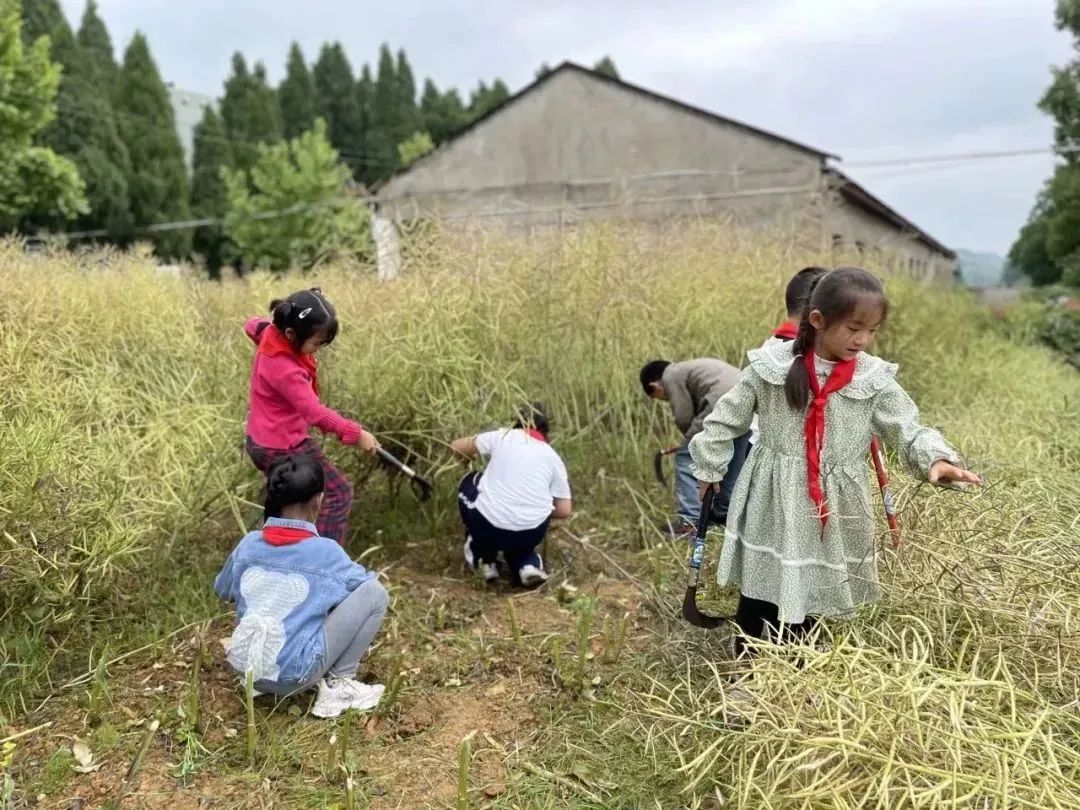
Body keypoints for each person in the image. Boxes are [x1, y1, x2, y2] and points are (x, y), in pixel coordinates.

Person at [689, 267, 980, 654]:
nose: (863, 340)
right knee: (763, 584)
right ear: (818, 320)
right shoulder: (770, 367)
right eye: (854, 328)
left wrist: (936, 460)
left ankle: (800, 672)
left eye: (873, 330)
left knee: (817, 587)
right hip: (774, 495)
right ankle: (749, 665)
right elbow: (726, 419)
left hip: (837, 502)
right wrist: (710, 467)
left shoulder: (872, 378)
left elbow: (907, 426)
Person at [214, 455, 389, 718]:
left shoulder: (248, 544)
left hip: (246, 669)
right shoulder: (326, 552)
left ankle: (264, 678)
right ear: (318, 500)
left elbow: (222, 590)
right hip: (294, 675)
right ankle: (340, 682)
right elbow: (362, 588)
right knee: (375, 593)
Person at [243, 288, 379, 546]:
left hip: (262, 441)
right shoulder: (285, 369)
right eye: (316, 343)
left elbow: (251, 325)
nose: (318, 350)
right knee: (338, 495)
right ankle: (320, 562)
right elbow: (314, 412)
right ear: (291, 334)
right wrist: (356, 434)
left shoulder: (271, 334)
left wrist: (264, 325)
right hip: (282, 445)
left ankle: (279, 557)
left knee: (285, 507)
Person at [450, 403, 572, 588]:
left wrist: (465, 460)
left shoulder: (504, 435)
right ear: (546, 432)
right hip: (531, 532)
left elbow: (457, 446)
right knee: (522, 541)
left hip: (488, 524)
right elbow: (564, 510)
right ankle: (527, 566)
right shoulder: (553, 457)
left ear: (517, 422)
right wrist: (531, 506)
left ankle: (484, 561)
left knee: (470, 480)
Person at [639, 358, 751, 535]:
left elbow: (683, 416)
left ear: (654, 386)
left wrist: (689, 442)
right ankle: (722, 514)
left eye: (659, 398)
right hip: (747, 401)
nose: (664, 399)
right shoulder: (689, 368)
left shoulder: (671, 376)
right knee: (732, 459)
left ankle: (689, 521)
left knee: (685, 457)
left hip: (721, 402)